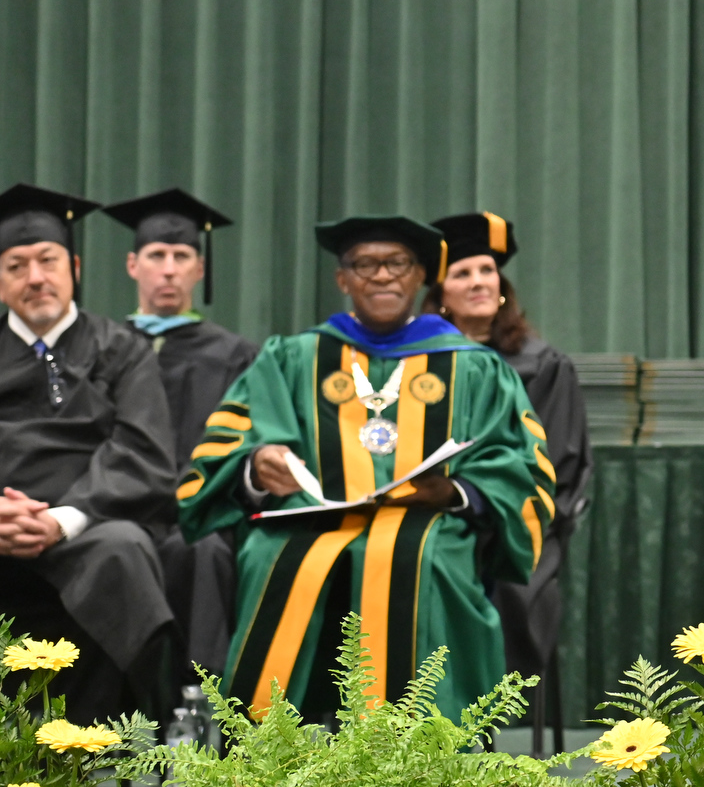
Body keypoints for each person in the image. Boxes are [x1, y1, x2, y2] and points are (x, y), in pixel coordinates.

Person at [176, 216, 556, 720]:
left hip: (426, 525)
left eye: (396, 264)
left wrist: (455, 492)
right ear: (342, 279)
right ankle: (265, 749)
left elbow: (521, 464)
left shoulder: (473, 366)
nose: (381, 276)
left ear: (420, 276)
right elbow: (227, 445)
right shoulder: (294, 357)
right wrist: (256, 465)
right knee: (273, 558)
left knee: (425, 559)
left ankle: (426, 756)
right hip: (307, 523)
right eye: (365, 265)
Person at [0, 183, 177, 722]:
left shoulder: (121, 347)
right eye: (15, 265)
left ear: (73, 265)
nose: (35, 277)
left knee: (122, 552)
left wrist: (59, 520)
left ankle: (157, 737)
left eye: (48, 260)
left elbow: (141, 450)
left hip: (92, 523)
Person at [425, 212, 591, 696]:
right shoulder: (420, 365)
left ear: (502, 286)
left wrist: (492, 505)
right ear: (440, 295)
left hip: (517, 518)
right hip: (431, 512)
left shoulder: (543, 365)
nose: (478, 281)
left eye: (486, 271)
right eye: (462, 273)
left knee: (485, 563)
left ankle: (479, 704)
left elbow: (559, 462)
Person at [102, 188, 258, 682]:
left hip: (199, 513)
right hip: (119, 507)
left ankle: (203, 702)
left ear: (199, 269)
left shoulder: (236, 354)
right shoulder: (101, 345)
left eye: (181, 256)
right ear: (133, 265)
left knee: (206, 549)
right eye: (156, 256)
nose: (168, 269)